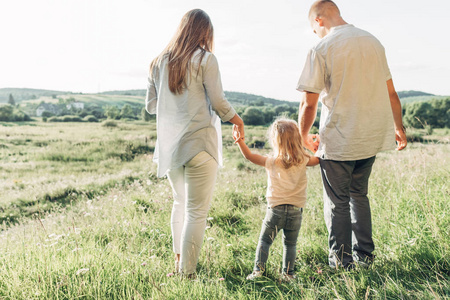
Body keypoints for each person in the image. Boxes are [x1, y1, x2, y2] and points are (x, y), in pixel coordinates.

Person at [296, 0, 407, 269]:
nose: (315, 33)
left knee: (338, 203)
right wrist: (398, 127)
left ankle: (342, 264)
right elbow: (390, 91)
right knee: (359, 196)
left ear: (318, 21)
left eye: (314, 29)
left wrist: (302, 137)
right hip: (369, 138)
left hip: (338, 139)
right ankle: (365, 258)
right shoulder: (373, 42)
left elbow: (308, 103)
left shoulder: (321, 47)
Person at [145, 9, 244, 277]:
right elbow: (219, 102)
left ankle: (179, 265)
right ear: (205, 33)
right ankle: (187, 272)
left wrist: (174, 102)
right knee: (196, 212)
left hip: (171, 147)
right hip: (200, 143)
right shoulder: (206, 59)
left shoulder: (157, 63)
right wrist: (238, 121)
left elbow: (152, 107)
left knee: (180, 203)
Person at [232, 118, 319, 281]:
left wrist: (240, 141)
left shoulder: (272, 161)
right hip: (296, 211)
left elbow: (249, 156)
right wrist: (315, 147)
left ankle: (258, 271)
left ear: (275, 141)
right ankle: (288, 274)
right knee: (290, 244)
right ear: (298, 139)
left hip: (275, 210)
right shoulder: (304, 159)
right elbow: (318, 159)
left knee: (265, 241)